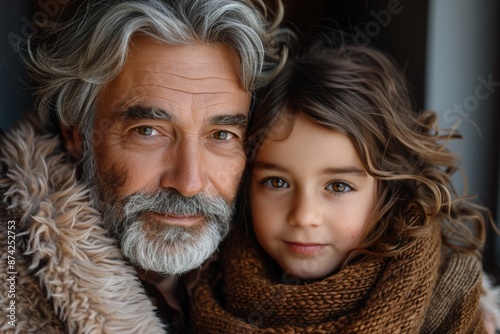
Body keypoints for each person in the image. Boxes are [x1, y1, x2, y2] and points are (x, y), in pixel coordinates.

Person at [0, 0, 288, 332]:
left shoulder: (302, 254)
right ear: (76, 134)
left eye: (221, 134)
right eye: (148, 132)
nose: (189, 182)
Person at [189, 29, 500, 333]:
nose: (304, 216)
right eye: (277, 182)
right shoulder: (203, 283)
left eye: (338, 186)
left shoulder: (453, 301)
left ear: (386, 191)